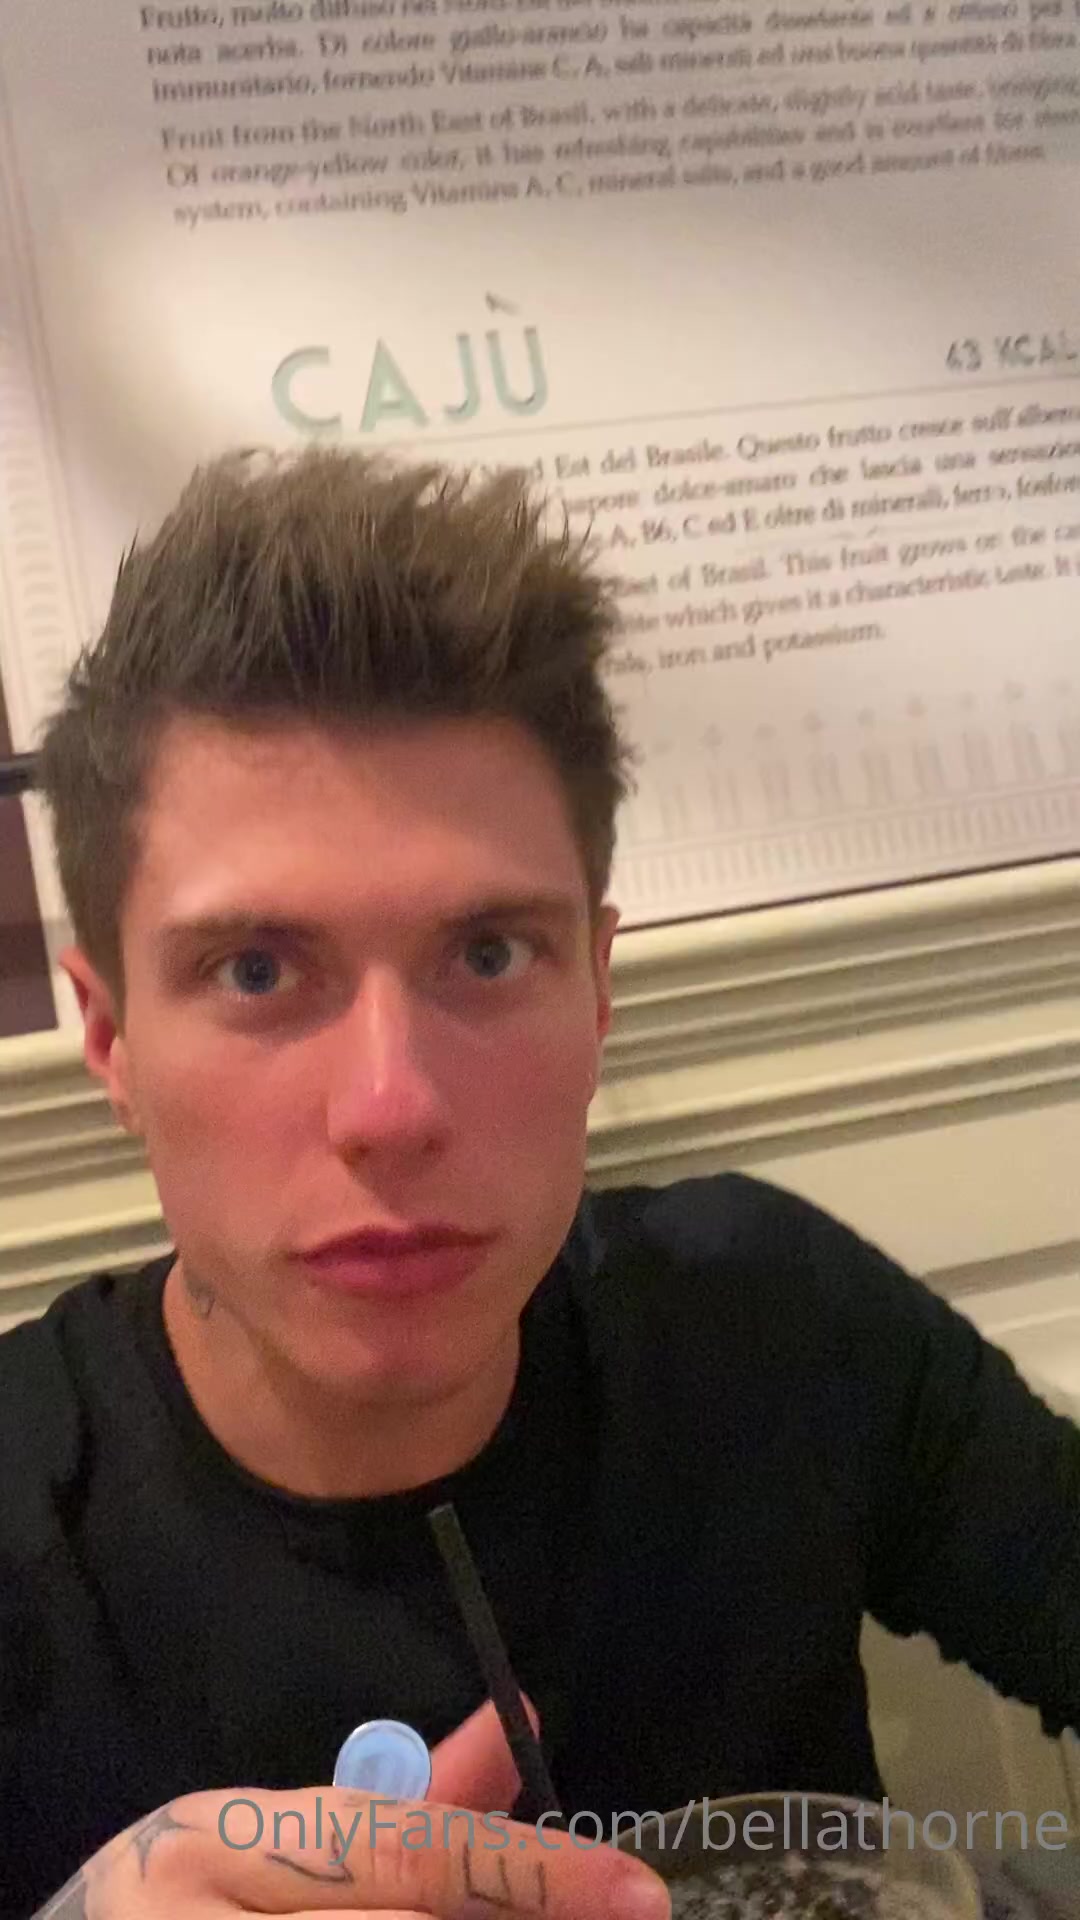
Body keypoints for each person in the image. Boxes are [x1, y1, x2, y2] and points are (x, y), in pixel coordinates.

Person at [3, 447, 1077, 1920]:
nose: (391, 1108)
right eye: (254, 970)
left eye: (489, 953)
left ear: (598, 989)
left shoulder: (775, 1323)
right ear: (112, 1038)